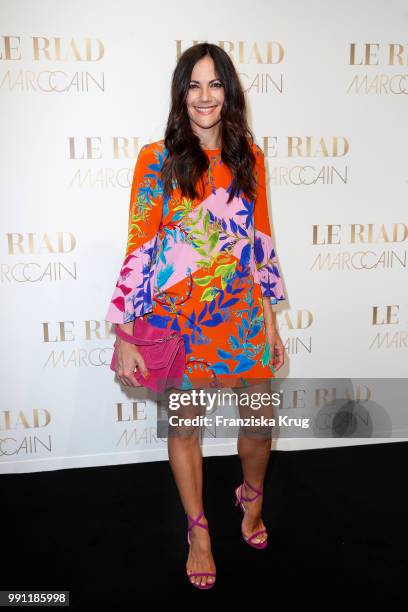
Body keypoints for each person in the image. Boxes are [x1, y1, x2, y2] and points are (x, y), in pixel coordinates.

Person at [105, 42, 287, 589]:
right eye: (194, 85)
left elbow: (260, 240)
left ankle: (250, 498)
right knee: (186, 428)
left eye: (215, 85)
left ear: (229, 93)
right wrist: (125, 331)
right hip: (179, 320)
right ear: (180, 94)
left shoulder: (249, 158)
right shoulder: (155, 160)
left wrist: (272, 319)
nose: (205, 96)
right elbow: (139, 246)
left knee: (259, 423)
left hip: (240, 313)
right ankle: (199, 530)